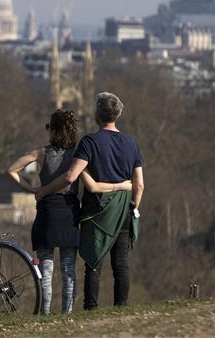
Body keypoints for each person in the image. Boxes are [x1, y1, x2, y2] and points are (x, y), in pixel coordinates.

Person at [8, 109, 131, 315]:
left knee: (46, 271)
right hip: (70, 213)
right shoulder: (77, 156)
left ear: (52, 130)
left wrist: (34, 190)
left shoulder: (41, 153)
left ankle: (45, 315)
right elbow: (92, 186)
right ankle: (67, 314)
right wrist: (121, 186)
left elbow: (10, 170)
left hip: (47, 212)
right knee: (68, 269)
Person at [34, 92, 144, 309]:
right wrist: (134, 206)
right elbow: (139, 184)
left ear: (97, 114)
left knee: (94, 264)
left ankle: (91, 308)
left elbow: (70, 177)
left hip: (96, 211)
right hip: (123, 209)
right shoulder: (132, 144)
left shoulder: (90, 142)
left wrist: (44, 189)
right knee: (121, 265)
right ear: (118, 114)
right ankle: (121, 308)